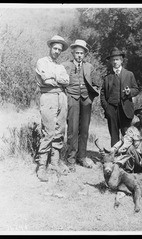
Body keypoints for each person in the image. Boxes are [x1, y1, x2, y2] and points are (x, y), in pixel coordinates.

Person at [35, 35, 70, 182]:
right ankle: (41, 166)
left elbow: (66, 81)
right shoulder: (42, 61)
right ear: (50, 48)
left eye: (59, 50)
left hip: (61, 97)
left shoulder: (61, 66)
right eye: (55, 48)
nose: (57, 51)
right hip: (48, 96)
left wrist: (54, 78)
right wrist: (57, 79)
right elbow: (45, 80)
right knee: (48, 131)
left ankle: (54, 163)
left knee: (59, 130)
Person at [62, 39, 99, 171]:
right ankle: (70, 158)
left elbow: (96, 83)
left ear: (85, 54)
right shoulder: (65, 65)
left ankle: (81, 157)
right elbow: (61, 82)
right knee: (72, 128)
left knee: (84, 129)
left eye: (81, 53)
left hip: (86, 100)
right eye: (77, 53)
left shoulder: (89, 67)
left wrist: (91, 96)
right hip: (72, 98)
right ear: (73, 53)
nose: (79, 55)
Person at [100, 47, 139, 147]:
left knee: (126, 134)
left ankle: (126, 158)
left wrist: (129, 91)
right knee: (114, 135)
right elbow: (103, 93)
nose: (115, 62)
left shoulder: (129, 74)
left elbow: (136, 89)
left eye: (117, 59)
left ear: (121, 61)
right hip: (111, 109)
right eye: (113, 60)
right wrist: (107, 107)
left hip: (125, 109)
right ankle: (114, 157)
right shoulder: (107, 77)